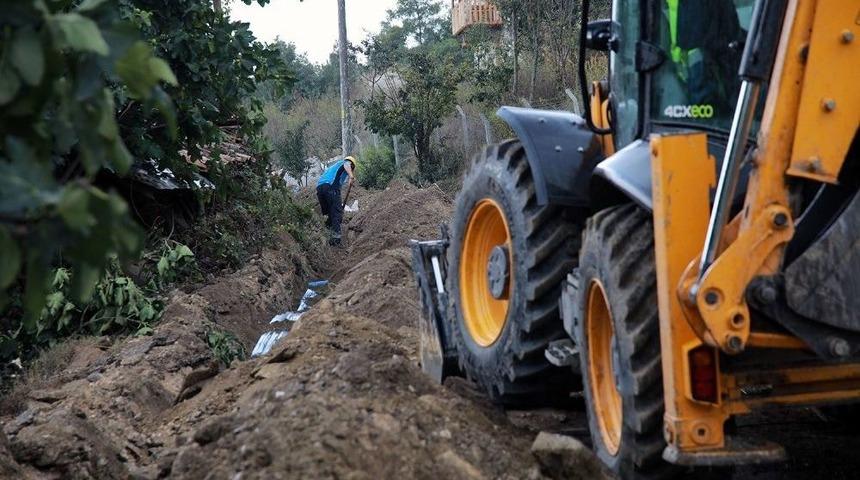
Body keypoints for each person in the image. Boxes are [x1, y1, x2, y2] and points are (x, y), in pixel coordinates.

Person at [316, 155, 356, 246]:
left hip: (320, 188)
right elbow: (347, 164)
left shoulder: (334, 168)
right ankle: (336, 239)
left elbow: (339, 185)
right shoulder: (345, 163)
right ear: (352, 164)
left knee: (329, 213)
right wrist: (351, 176)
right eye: (352, 168)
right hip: (330, 187)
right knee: (337, 213)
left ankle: (327, 232)